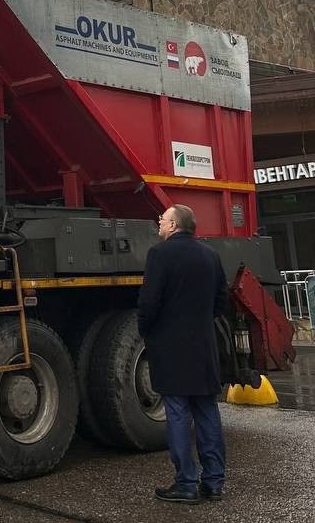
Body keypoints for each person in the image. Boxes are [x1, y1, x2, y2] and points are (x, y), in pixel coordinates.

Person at [139, 203, 229, 505]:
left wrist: (147, 330)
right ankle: (214, 483)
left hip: (171, 347)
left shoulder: (159, 254)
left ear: (174, 225)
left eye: (162, 219)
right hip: (203, 346)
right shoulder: (210, 255)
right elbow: (222, 299)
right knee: (207, 412)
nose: (159, 223)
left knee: (177, 413)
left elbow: (149, 300)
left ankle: (186, 483)